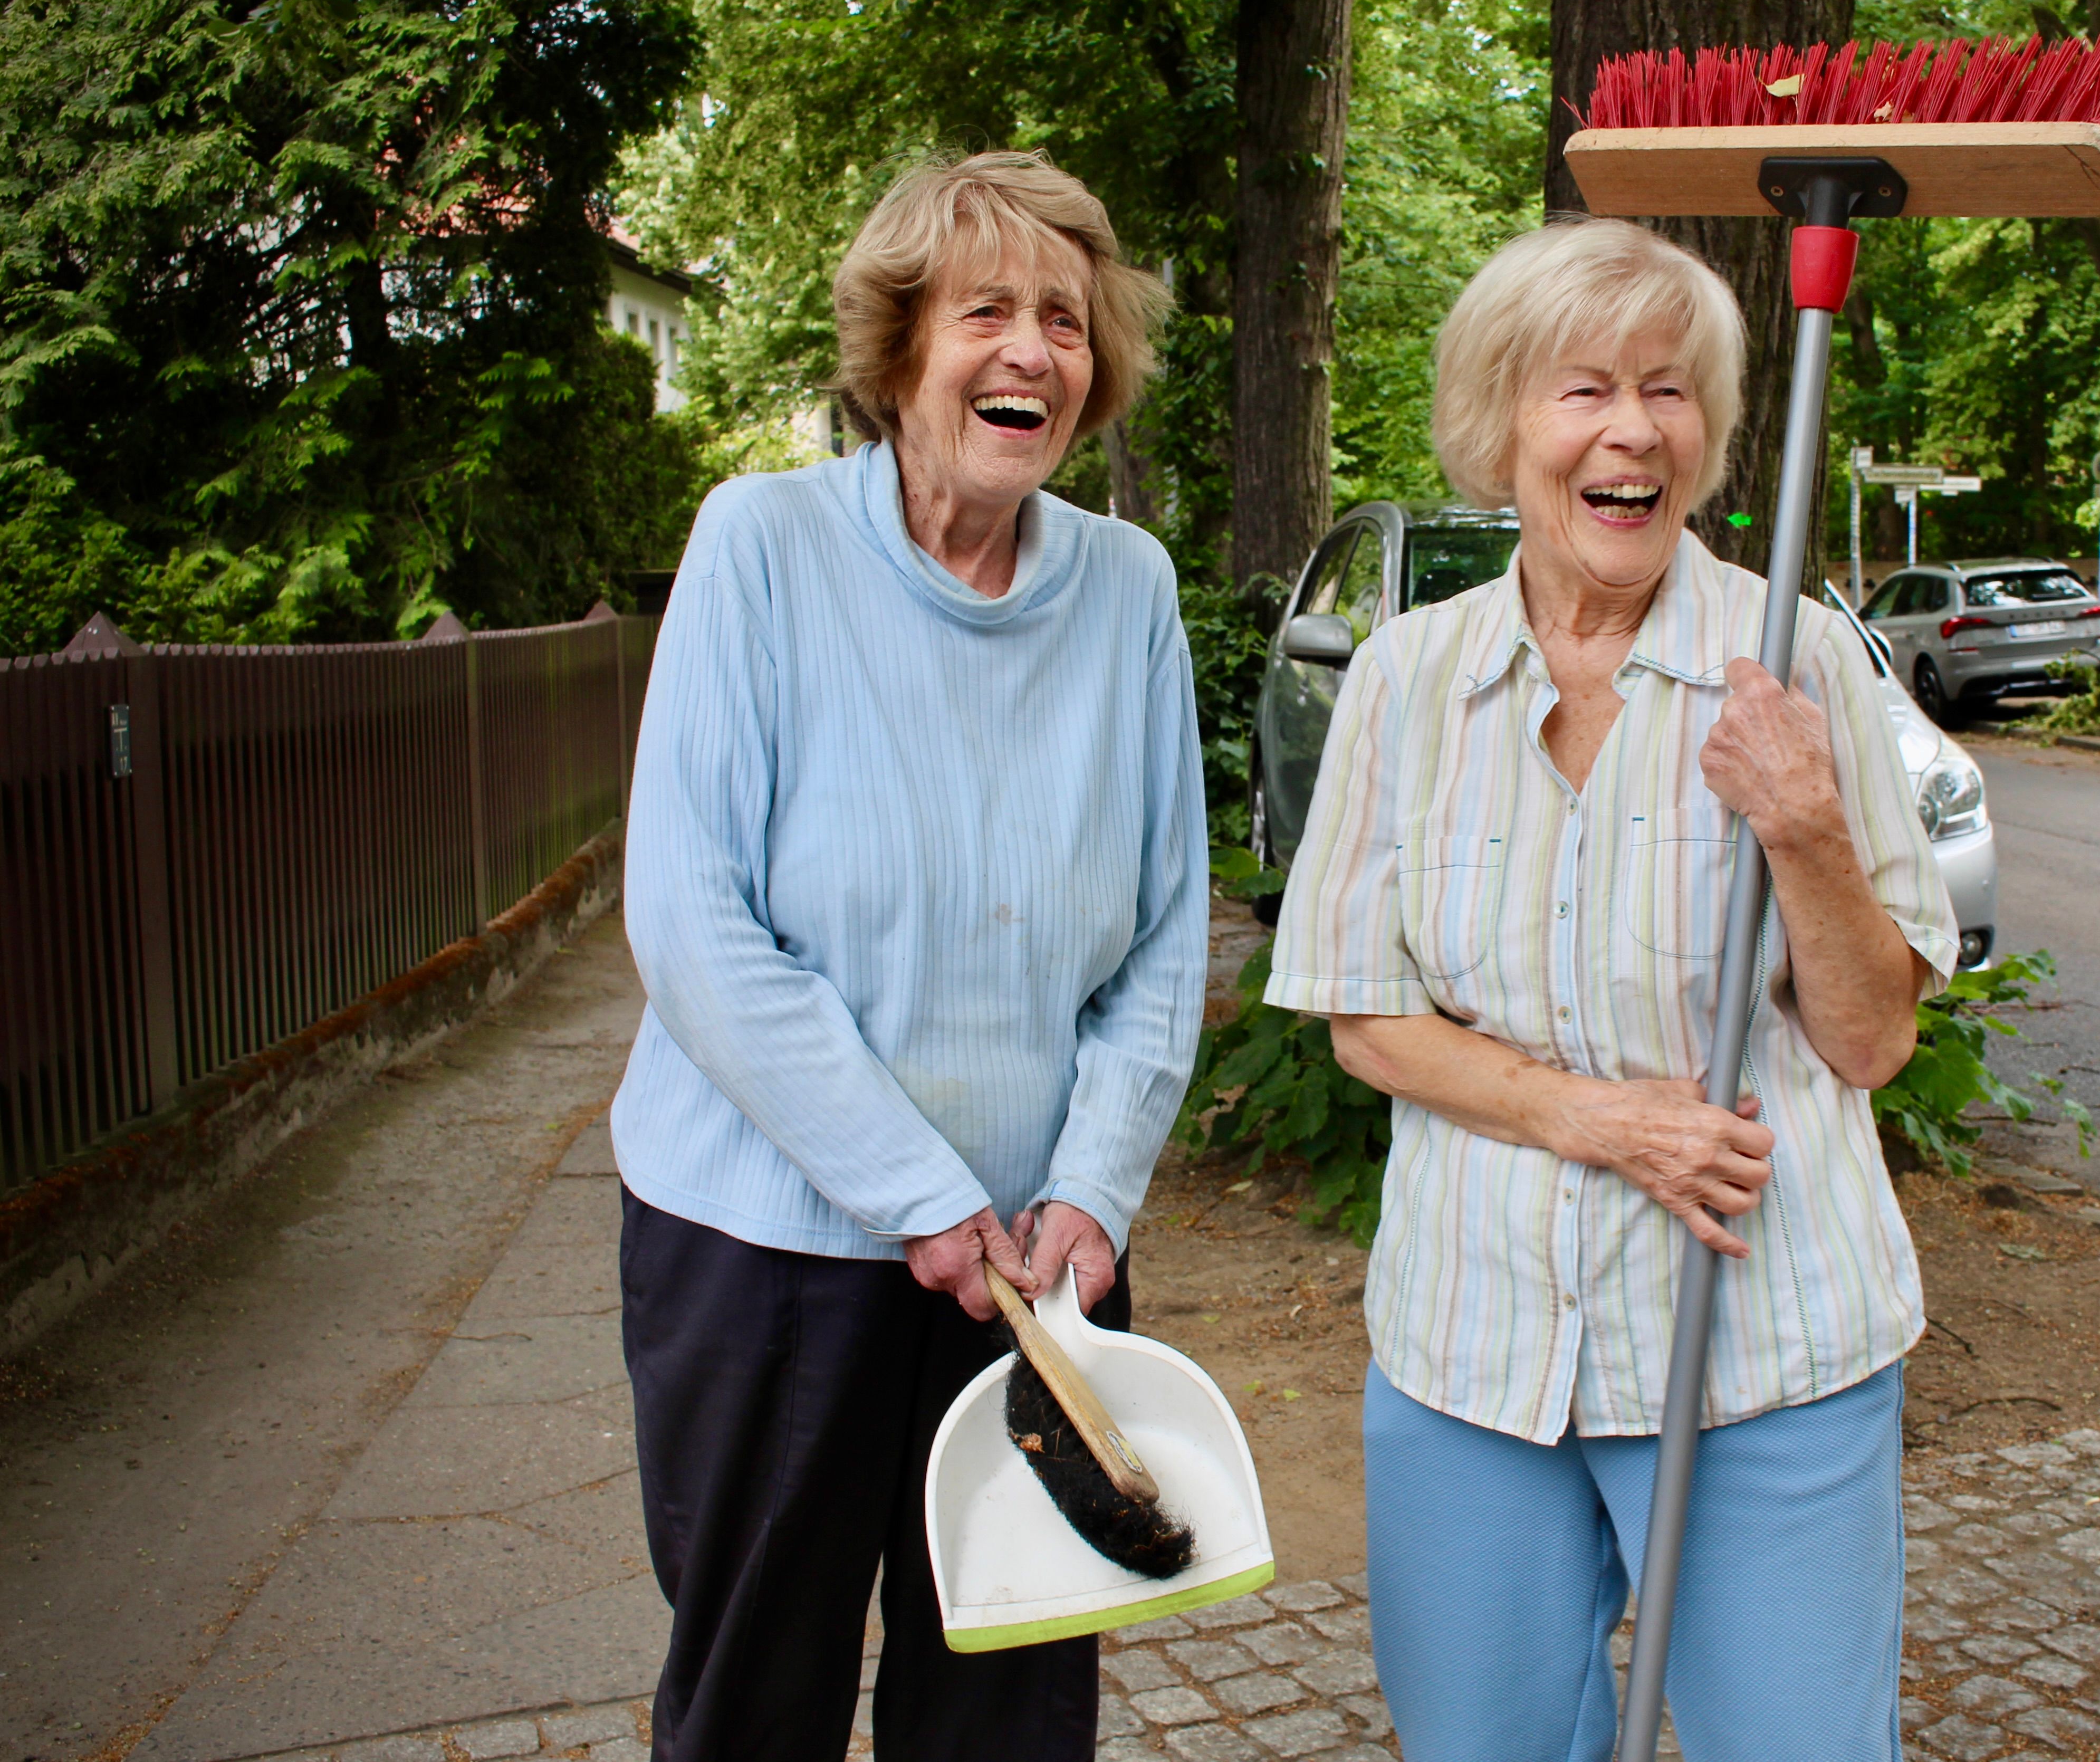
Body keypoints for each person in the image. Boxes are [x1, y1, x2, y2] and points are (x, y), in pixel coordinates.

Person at [1264, 217, 1957, 1762]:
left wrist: (1806, 825)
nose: (1632, 429)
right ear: (1501, 426)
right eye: (1583, 390)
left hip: (1758, 1357)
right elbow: (1363, 1015)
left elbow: (1871, 1038)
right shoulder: (1407, 677)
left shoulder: (1797, 669)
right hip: (1471, 1356)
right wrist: (1599, 1121)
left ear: (1706, 439)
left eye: (1669, 391)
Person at [611, 152, 1204, 1761]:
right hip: (769, 1252)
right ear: (899, 350)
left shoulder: (1128, 590)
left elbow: (1163, 933)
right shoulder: (762, 549)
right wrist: (918, 1195)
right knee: (759, 1696)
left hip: (1040, 1262)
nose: (1033, 351)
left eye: (1067, 322)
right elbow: (689, 917)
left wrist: (1093, 1191)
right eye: (987, 312)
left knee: (1009, 1705)